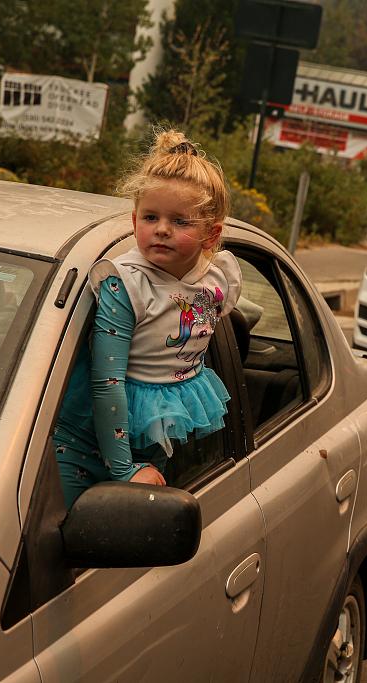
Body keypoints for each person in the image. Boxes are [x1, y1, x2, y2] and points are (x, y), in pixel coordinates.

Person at [53, 128, 242, 509]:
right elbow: (107, 381)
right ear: (134, 217)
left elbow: (208, 331)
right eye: (150, 216)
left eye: (181, 221)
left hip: (156, 433)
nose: (161, 229)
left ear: (211, 234)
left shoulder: (222, 275)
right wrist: (124, 470)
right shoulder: (124, 283)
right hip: (84, 441)